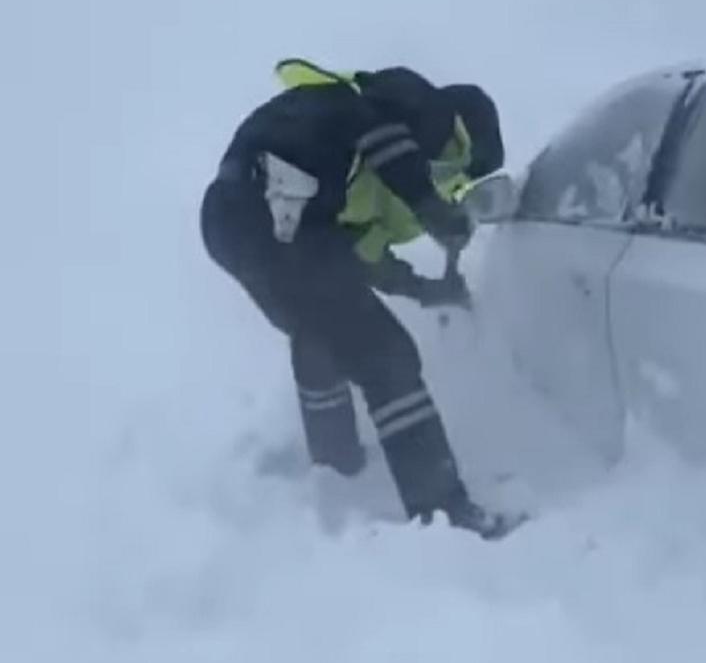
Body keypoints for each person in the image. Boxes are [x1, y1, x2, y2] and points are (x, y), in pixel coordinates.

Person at [200, 58, 517, 539]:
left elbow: (357, 259)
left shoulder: (354, 167)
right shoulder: (419, 108)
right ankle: (444, 514)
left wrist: (426, 290)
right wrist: (433, 211)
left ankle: (337, 467)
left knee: (321, 337)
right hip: (275, 215)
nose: (452, 182)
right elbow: (383, 137)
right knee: (387, 356)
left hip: (235, 222)